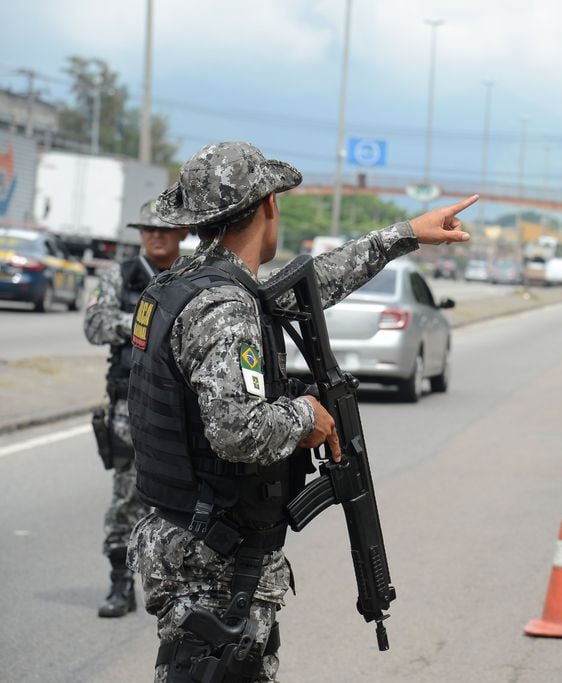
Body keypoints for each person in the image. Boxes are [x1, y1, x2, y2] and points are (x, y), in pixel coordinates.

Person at [125, 141, 476, 682]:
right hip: (214, 562)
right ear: (268, 207)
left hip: (191, 539)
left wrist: (404, 234)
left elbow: (311, 284)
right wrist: (305, 416)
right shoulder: (224, 307)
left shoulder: (188, 286)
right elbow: (237, 431)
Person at [83, 200, 191, 618]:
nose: (155, 235)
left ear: (183, 233)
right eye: (147, 229)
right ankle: (120, 583)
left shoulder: (194, 273)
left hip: (184, 408)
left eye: (164, 229)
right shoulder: (120, 275)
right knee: (128, 495)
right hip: (132, 407)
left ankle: (177, 585)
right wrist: (153, 323)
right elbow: (95, 325)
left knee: (184, 497)